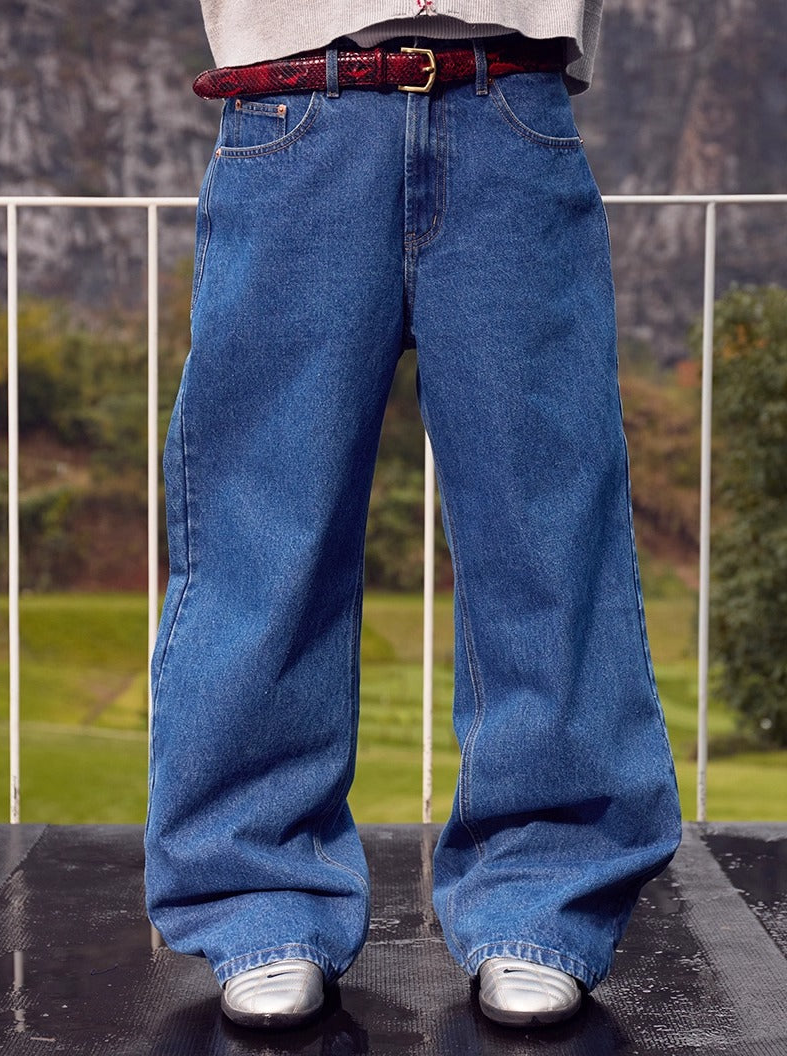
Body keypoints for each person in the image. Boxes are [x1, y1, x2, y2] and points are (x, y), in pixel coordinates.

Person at [144, 1, 683, 1032]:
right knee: (266, 531)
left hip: (508, 97)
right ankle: (259, 901)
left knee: (546, 526)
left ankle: (545, 897)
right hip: (293, 102)